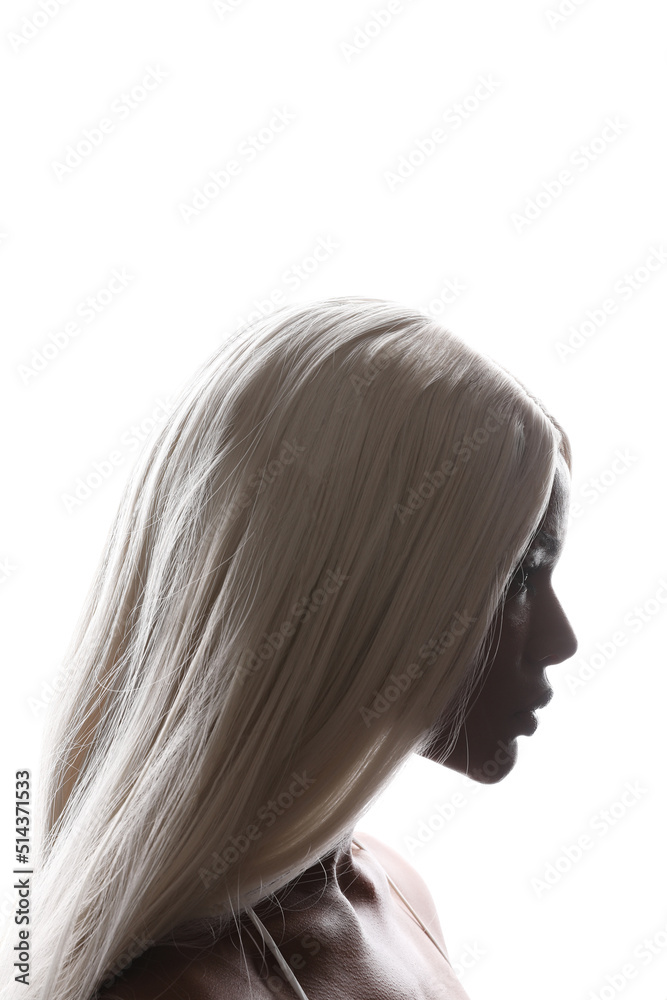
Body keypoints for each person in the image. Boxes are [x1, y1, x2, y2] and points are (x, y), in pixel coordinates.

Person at [12, 297, 577, 999]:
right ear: (355, 586)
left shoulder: (392, 886)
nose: (560, 639)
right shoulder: (189, 987)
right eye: (517, 575)